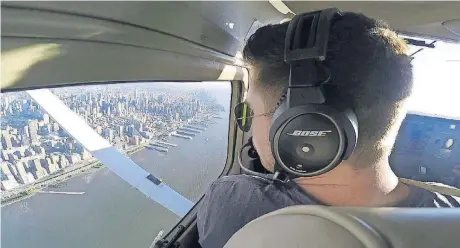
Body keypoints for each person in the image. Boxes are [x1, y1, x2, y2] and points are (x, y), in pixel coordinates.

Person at [197, 12, 460, 248]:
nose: (248, 124)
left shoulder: (232, 201)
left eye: (250, 112)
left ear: (303, 124)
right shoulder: (452, 218)